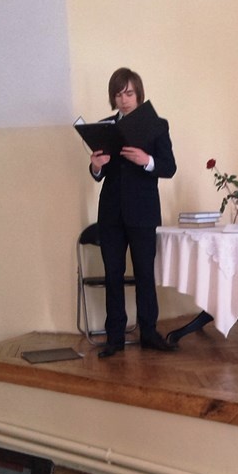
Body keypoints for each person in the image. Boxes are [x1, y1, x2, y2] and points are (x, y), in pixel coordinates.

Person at [89, 67, 177, 358]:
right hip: (111, 213)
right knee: (112, 274)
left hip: (143, 211)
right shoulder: (105, 127)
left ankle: (149, 332)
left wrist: (146, 160)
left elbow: (169, 167)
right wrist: (96, 167)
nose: (123, 99)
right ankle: (114, 337)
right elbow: (99, 173)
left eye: (128, 93)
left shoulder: (157, 125)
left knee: (144, 274)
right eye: (118, 94)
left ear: (138, 94)